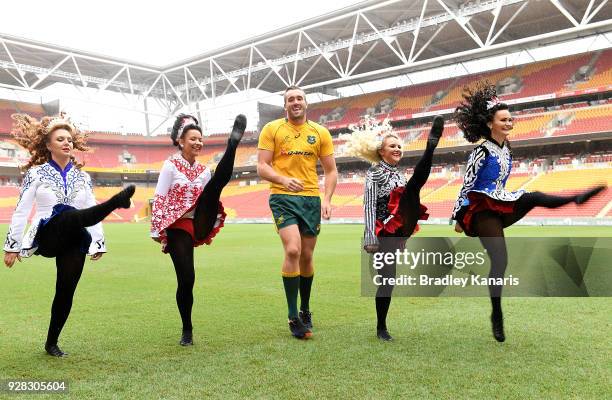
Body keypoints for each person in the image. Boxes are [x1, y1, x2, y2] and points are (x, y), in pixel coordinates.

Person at [451, 82, 606, 342]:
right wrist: (458, 216)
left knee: (532, 197)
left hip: (501, 202)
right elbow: (467, 185)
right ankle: (496, 315)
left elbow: (501, 184)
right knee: (500, 261)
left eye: (511, 119)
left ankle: (576, 199)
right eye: (504, 119)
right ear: (490, 123)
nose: (509, 122)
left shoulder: (507, 149)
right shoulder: (480, 152)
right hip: (481, 211)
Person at [3, 114, 135, 357]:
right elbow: (21, 209)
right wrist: (12, 245)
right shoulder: (36, 174)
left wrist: (98, 242)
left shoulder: (83, 178)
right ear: (48, 145)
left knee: (66, 289)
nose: (67, 143)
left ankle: (51, 343)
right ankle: (115, 202)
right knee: (67, 213)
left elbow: (89, 207)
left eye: (70, 140)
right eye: (60, 139)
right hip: (48, 233)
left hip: (75, 236)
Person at [343, 116, 444, 340]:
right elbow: (369, 203)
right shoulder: (375, 172)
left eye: (399, 146)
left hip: (399, 230)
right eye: (392, 146)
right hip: (382, 232)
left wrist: (403, 238)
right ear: (381, 151)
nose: (398, 149)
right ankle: (381, 328)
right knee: (388, 281)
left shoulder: (400, 174)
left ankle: (430, 147)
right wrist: (370, 236)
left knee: (413, 187)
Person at [150, 113, 246, 346]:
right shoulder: (170, 165)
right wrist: (158, 230)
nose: (198, 143)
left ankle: (232, 145)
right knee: (187, 279)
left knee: (215, 184)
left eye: (200, 139)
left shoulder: (204, 170)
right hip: (178, 223)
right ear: (181, 141)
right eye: (193, 138)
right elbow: (160, 197)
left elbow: (209, 198)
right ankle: (187, 329)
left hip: (200, 218)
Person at [257, 85, 337, 339]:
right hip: (283, 197)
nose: (295, 102)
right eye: (290, 99)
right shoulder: (272, 129)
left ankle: (305, 310)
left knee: (307, 256)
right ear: (285, 106)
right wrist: (282, 179)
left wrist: (327, 198)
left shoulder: (320, 132)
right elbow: (262, 166)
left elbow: (331, 171)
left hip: (311, 199)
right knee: (293, 249)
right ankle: (293, 316)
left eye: (299, 98)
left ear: (306, 103)